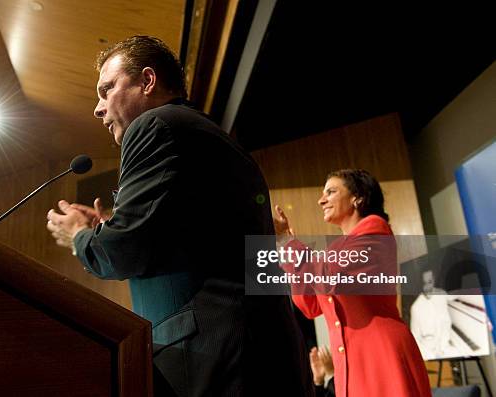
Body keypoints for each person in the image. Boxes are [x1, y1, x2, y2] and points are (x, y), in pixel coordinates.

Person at [46, 36, 313, 396]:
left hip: (215, 359)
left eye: (107, 89)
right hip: (252, 353)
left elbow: (124, 251)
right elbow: (179, 236)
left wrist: (81, 236)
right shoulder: (201, 132)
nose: (98, 108)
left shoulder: (154, 126)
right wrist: (105, 228)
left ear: (147, 81)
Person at [274, 169, 431, 397]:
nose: (321, 200)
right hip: (350, 363)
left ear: (358, 197)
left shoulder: (375, 230)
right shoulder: (337, 249)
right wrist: (287, 249)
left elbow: (328, 277)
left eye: (331, 191)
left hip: (381, 357)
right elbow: (309, 306)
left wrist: (290, 244)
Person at [410, 269, 457, 360]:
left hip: (446, 346)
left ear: (434, 280)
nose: (427, 286)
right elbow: (415, 338)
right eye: (424, 283)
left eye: (430, 282)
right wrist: (431, 355)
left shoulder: (441, 294)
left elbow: (456, 296)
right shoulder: (416, 308)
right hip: (429, 352)